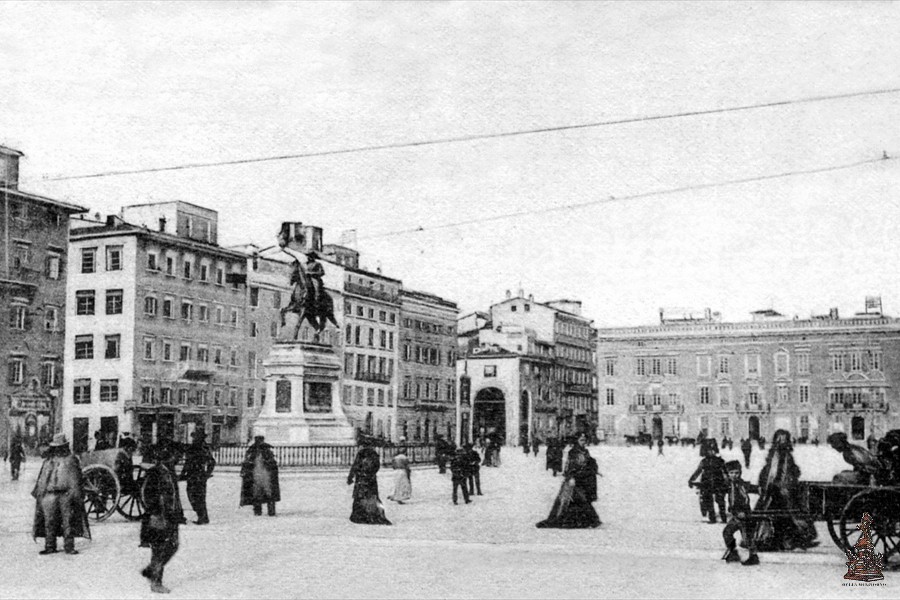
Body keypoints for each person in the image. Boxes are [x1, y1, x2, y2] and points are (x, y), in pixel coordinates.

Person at [752, 429, 818, 551]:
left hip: (782, 489)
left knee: (785, 517)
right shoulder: (777, 455)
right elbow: (771, 472)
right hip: (777, 490)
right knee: (777, 516)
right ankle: (769, 540)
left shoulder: (783, 455)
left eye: (784, 440)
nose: (782, 442)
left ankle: (788, 541)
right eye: (780, 440)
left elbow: (787, 471)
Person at [32, 433, 91, 555]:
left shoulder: (71, 459)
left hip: (66, 494)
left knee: (68, 520)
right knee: (49, 521)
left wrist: (76, 495)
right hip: (49, 495)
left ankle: (69, 546)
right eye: (55, 447)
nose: (57, 449)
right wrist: (40, 494)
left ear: (64, 447)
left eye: (60, 446)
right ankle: (50, 546)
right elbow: (42, 478)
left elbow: (76, 478)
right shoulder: (49, 461)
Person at [536, 433, 601, 529]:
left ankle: (585, 521)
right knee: (576, 500)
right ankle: (574, 521)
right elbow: (569, 466)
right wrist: (571, 477)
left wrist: (593, 467)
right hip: (574, 480)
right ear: (577, 441)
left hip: (583, 479)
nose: (583, 442)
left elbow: (588, 463)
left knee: (583, 500)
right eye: (581, 440)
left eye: (584, 440)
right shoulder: (573, 452)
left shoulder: (585, 451)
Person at [140, 444, 181, 594]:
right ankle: (156, 583)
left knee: (173, 545)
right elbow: (147, 494)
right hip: (157, 517)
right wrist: (156, 513)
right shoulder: (155, 473)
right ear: (168, 457)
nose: (178, 458)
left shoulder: (167, 472)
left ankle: (152, 570)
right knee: (159, 549)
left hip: (169, 516)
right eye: (175, 456)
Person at [721, 460, 760, 566]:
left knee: (747, 537)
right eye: (731, 473)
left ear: (740, 473)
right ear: (728, 474)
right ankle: (733, 552)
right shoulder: (730, 484)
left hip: (743, 515)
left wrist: (742, 511)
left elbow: (745, 498)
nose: (734, 475)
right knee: (727, 532)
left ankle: (754, 556)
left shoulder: (741, 485)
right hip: (736, 515)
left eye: (736, 473)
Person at [347, 440, 391, 524]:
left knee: (360, 496)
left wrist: (351, 477)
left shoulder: (361, 453)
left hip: (361, 478)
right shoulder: (374, 453)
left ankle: (361, 515)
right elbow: (377, 466)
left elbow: (355, 466)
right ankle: (373, 514)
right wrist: (371, 474)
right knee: (372, 496)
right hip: (371, 479)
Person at [180, 429, 216, 524]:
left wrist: (207, 473)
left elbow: (211, 462)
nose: (194, 439)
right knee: (192, 496)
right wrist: (183, 474)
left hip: (198, 474)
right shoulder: (193, 447)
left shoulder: (203, 448)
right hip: (192, 474)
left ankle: (203, 517)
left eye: (196, 437)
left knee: (198, 497)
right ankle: (202, 516)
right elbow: (187, 462)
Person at [688, 439, 727, 524]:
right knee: (708, 500)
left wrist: (727, 481)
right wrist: (691, 479)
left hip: (718, 481)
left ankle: (723, 517)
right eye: (709, 450)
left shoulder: (720, 461)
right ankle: (712, 517)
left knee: (720, 500)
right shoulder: (704, 461)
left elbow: (725, 471)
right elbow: (698, 471)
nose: (711, 452)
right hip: (706, 482)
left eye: (713, 450)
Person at [240, 435, 280, 517]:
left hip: (264, 474)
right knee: (258, 492)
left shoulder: (261, 451)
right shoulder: (253, 451)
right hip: (257, 474)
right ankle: (260, 510)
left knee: (265, 491)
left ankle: (267, 510)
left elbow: (272, 463)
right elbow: (246, 463)